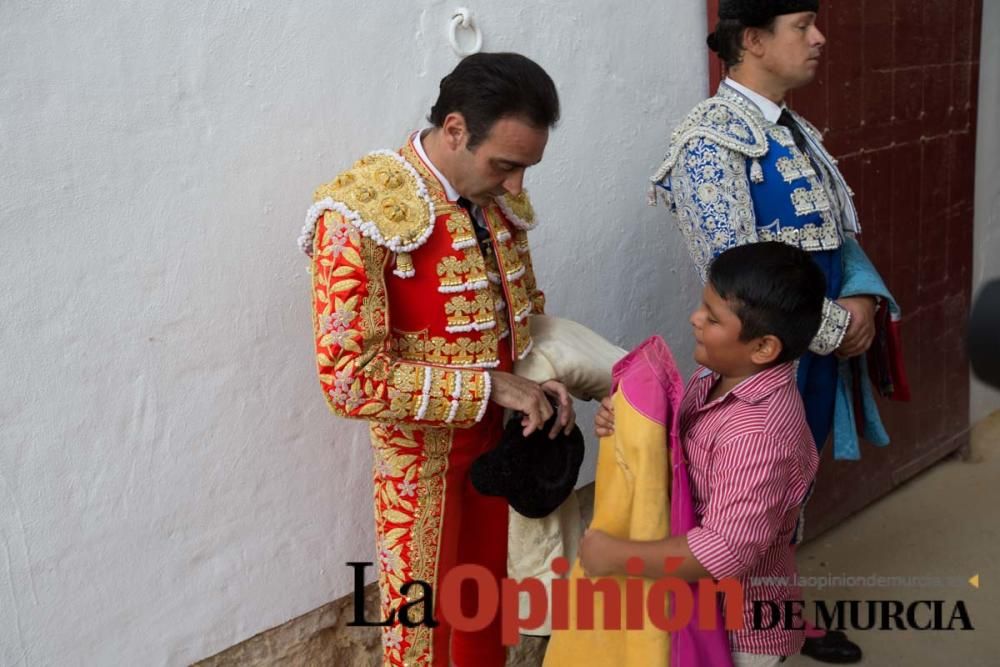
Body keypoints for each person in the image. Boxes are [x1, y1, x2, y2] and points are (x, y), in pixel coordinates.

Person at [298, 52, 576, 667]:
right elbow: (348, 380)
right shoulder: (360, 212)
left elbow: (520, 316)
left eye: (526, 168)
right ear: (455, 129)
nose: (516, 188)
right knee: (422, 629)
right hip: (418, 463)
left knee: (487, 610)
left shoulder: (497, 199)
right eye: (504, 165)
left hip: (498, 446)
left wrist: (539, 382)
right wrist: (490, 389)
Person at [649, 1, 885, 661]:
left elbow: (834, 234)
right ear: (752, 40)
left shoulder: (793, 128)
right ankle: (746, 634)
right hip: (767, 354)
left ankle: (781, 617)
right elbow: (736, 276)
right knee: (748, 502)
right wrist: (838, 327)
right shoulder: (709, 139)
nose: (819, 38)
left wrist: (862, 297)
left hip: (807, 346)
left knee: (784, 497)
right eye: (803, 25)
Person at [583, 242, 825, 667]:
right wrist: (629, 428)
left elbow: (722, 552)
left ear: (764, 348)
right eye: (702, 306)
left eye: (712, 318)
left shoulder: (758, 435)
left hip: (738, 633)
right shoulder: (718, 375)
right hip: (692, 609)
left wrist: (614, 555)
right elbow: (686, 456)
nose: (695, 318)